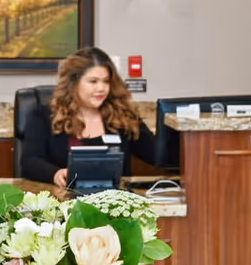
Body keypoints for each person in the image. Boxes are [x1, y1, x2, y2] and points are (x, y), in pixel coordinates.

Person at [21, 47, 158, 187]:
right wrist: (55, 173)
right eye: (93, 81)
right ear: (73, 83)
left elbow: (157, 155)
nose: (101, 88)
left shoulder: (122, 115)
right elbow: (30, 162)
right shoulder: (43, 115)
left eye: (106, 81)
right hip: (64, 202)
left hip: (115, 202)